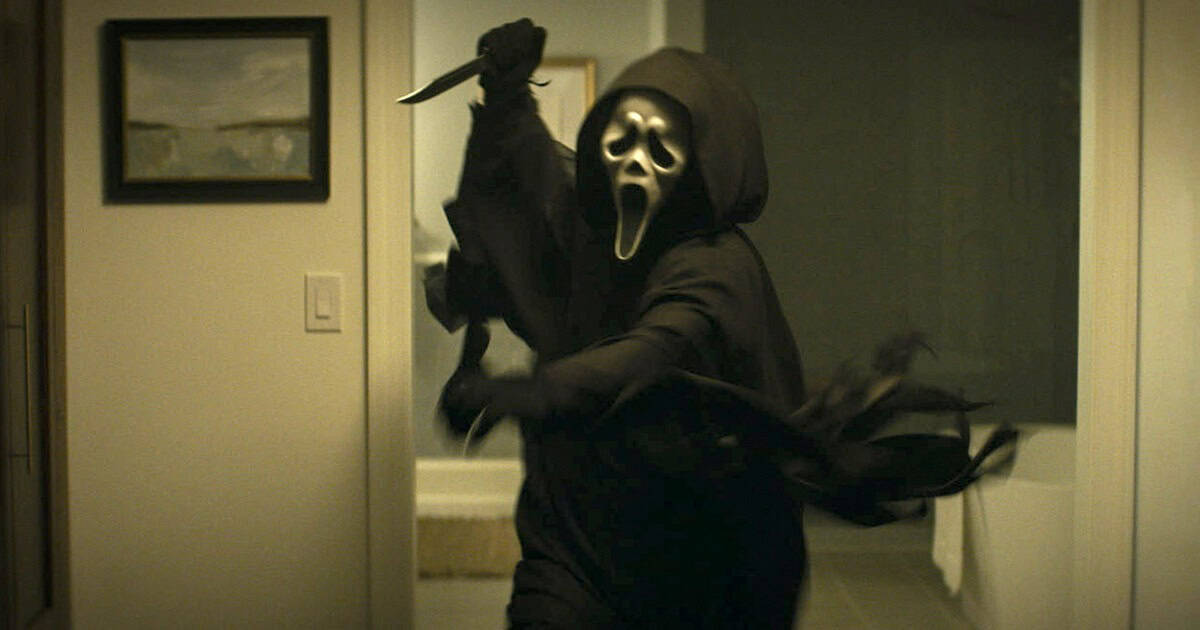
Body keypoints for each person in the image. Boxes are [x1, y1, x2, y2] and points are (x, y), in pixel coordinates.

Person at [427, 19, 809, 630]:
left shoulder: (717, 265)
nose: (634, 164)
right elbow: (526, 185)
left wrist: (527, 392)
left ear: (700, 163)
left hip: (702, 549)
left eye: (661, 149)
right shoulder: (593, 226)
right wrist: (505, 92)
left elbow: (653, 351)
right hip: (575, 525)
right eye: (620, 141)